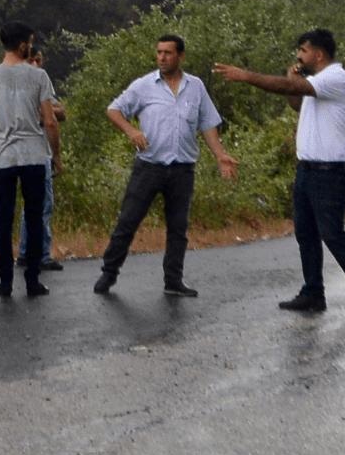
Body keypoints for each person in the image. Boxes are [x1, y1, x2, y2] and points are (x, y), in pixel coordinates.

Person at [215, 29, 345, 317]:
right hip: (308, 169)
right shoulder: (315, 83)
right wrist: (295, 81)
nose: (298, 55)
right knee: (306, 234)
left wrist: (247, 76)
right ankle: (313, 293)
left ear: (319, 54)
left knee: (332, 234)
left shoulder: (336, 78)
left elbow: (286, 88)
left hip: (332, 171)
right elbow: (297, 103)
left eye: (303, 50)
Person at [94, 35, 238, 296]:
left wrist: (220, 155)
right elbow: (114, 109)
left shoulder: (195, 87)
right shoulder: (145, 85)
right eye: (159, 52)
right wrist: (130, 131)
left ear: (181, 56)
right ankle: (109, 273)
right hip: (149, 166)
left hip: (182, 168)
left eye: (168, 53)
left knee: (178, 228)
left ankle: (173, 281)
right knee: (128, 221)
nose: (162, 57)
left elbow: (207, 124)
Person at [0, 22, 61, 298]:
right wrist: (56, 155)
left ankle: (5, 280)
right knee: (33, 217)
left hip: (2, 157)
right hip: (33, 154)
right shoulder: (38, 76)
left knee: (3, 220)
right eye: (29, 42)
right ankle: (32, 279)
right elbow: (50, 120)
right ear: (23, 45)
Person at [17, 46, 67, 273]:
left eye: (39, 60)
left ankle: (28, 251)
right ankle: (40, 254)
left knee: (36, 204)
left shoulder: (42, 84)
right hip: (31, 151)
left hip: (39, 149)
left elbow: (60, 111)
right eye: (31, 60)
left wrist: (46, 111)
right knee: (41, 204)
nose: (36, 65)